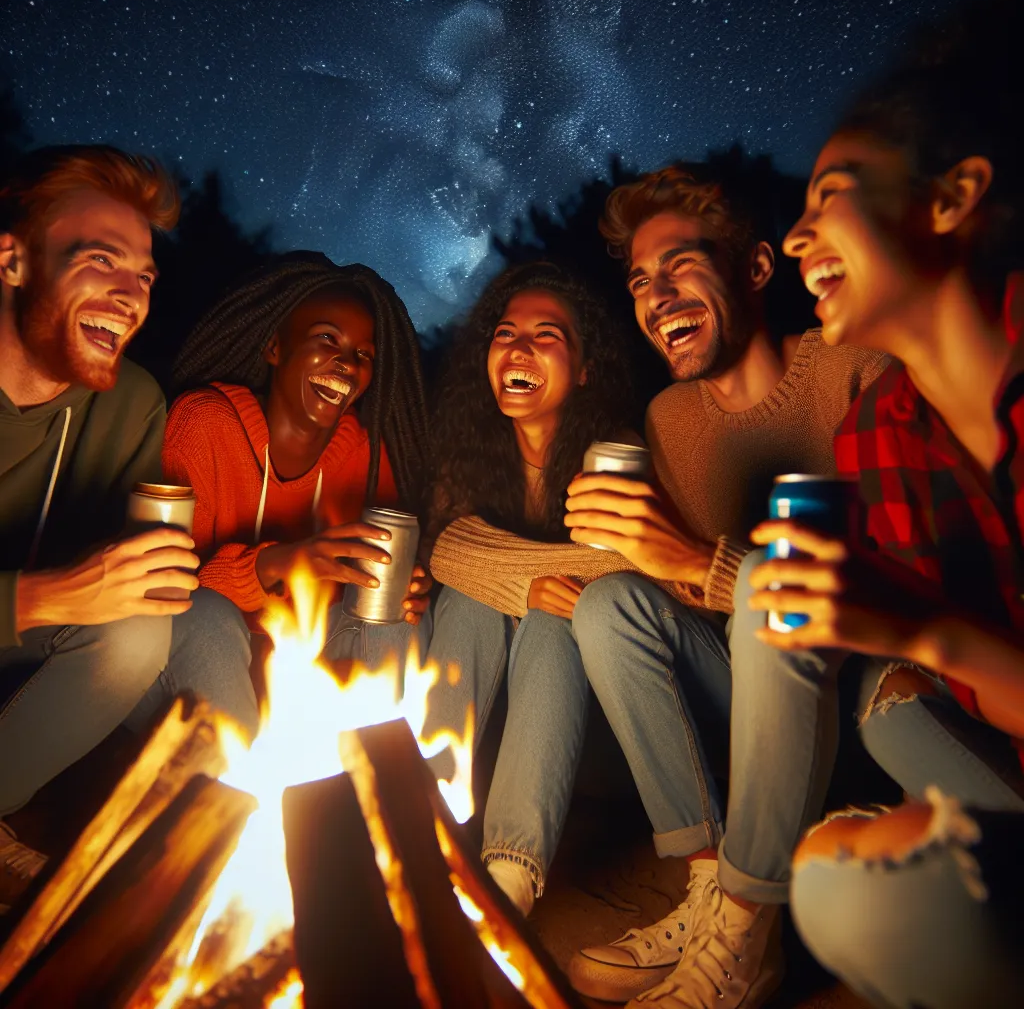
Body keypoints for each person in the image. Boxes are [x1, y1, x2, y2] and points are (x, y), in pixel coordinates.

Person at [748, 0, 1024, 1005]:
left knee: (877, 895)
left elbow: (937, 638)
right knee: (836, 868)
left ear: (950, 200)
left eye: (830, 195)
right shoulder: (880, 433)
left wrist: (923, 629)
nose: (796, 229)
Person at [559, 165, 888, 1007]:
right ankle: (709, 893)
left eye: (679, 266)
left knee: (764, 583)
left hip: (859, 702)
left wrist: (697, 561)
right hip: (750, 695)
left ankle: (745, 938)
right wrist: (625, 561)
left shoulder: (853, 367)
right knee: (609, 607)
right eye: (638, 280)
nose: (655, 294)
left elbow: (887, 596)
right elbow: (689, 596)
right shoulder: (671, 420)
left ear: (755, 268)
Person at [0, 146, 258, 913]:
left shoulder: (133, 400)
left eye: (143, 275)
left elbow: (126, 593)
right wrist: (45, 596)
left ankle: (240, 835)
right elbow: (69, 598)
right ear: (11, 262)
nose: (129, 295)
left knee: (185, 618)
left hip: (37, 660)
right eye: (100, 261)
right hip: (26, 614)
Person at [423, 261, 641, 915]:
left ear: (586, 368)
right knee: (470, 598)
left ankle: (506, 886)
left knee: (555, 619)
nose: (518, 347)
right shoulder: (470, 449)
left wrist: (522, 579)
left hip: (598, 740)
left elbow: (629, 573)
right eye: (505, 332)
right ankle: (416, 826)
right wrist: (536, 578)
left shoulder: (617, 452)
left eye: (546, 335)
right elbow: (446, 550)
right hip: (488, 739)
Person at [164, 253, 433, 675]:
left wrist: (406, 587)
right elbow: (166, 590)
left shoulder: (366, 451)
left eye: (364, 353)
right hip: (201, 649)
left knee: (398, 623)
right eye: (327, 339)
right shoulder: (205, 424)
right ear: (274, 347)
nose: (348, 363)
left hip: (308, 654)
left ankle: (385, 740)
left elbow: (372, 578)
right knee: (209, 622)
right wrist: (281, 562)